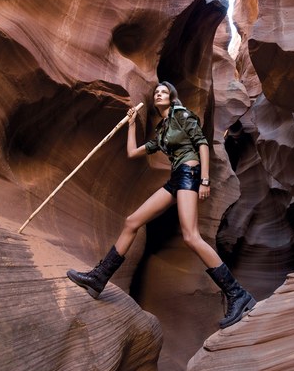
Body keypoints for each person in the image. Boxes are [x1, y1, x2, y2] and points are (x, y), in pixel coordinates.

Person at [67, 81, 256, 329]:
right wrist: (132, 122)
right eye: (156, 92)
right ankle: (98, 278)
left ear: (172, 96)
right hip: (175, 179)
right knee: (132, 221)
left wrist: (205, 180)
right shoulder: (163, 129)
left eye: (163, 91)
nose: (158, 94)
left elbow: (201, 144)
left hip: (189, 174)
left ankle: (238, 295)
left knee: (191, 236)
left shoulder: (181, 114)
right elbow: (133, 153)